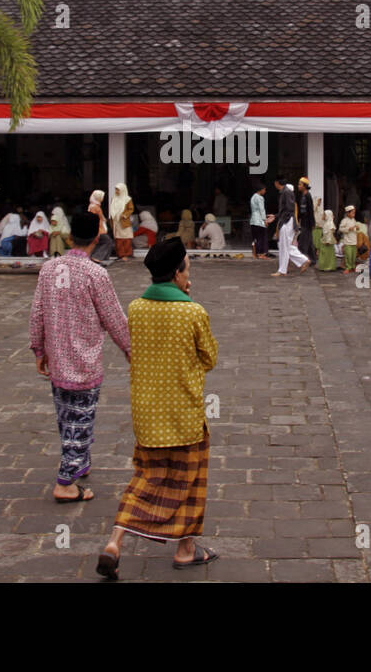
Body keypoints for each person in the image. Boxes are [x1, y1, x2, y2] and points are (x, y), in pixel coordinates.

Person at [96, 238, 218, 579]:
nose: (188, 275)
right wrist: (189, 301)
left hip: (147, 415)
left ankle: (115, 542)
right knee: (190, 482)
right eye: (187, 269)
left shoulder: (136, 307)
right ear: (178, 274)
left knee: (146, 479)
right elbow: (210, 357)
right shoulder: (192, 311)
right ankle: (185, 549)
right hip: (184, 414)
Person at [29, 211, 131, 504]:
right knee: (81, 420)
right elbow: (113, 317)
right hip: (84, 361)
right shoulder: (95, 273)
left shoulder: (49, 269)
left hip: (58, 359)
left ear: (71, 236)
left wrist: (38, 348)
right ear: (97, 238)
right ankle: (66, 481)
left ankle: (80, 460)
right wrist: (129, 348)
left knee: (66, 417)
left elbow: (36, 313)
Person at [270, 178, 309, 277]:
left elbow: (289, 209)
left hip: (287, 222)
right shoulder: (286, 192)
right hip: (286, 221)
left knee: (284, 246)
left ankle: (283, 270)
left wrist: (282, 219)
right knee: (285, 246)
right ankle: (303, 261)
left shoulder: (286, 193)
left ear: (277, 183)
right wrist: (275, 216)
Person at [110, 183, 134, 259]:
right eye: (116, 189)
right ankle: (121, 254)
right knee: (118, 238)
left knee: (127, 238)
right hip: (116, 222)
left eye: (118, 189)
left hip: (124, 222)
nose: (116, 191)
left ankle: (127, 254)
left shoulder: (127, 199)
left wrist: (124, 215)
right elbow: (112, 209)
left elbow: (130, 209)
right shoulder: (113, 198)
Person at [296, 177, 316, 264]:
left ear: (305, 186)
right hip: (303, 222)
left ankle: (301, 260)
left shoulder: (308, 196)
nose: (298, 186)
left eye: (300, 184)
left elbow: (310, 210)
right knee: (309, 242)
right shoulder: (302, 196)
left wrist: (312, 223)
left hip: (307, 223)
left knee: (302, 243)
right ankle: (313, 260)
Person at [249, 181, 268, 259]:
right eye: (264, 190)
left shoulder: (253, 197)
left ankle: (254, 253)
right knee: (261, 237)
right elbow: (262, 210)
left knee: (255, 238)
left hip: (253, 220)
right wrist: (265, 220)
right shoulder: (260, 198)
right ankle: (260, 254)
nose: (265, 191)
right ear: (260, 190)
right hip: (259, 220)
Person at [339, 205, 359, 272]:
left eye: (354, 213)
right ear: (348, 213)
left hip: (354, 240)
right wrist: (348, 229)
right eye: (352, 213)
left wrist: (356, 228)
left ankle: (353, 266)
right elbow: (341, 229)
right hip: (347, 241)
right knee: (348, 255)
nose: (354, 214)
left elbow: (355, 229)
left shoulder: (354, 220)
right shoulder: (344, 220)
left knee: (353, 256)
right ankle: (348, 267)